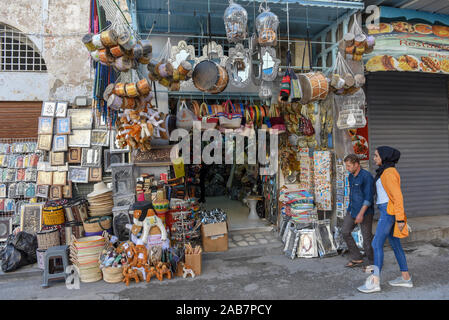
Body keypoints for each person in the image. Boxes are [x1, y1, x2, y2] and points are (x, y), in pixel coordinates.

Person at [357, 146, 412, 293]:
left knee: (376, 244)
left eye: (376, 156)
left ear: (385, 157)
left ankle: (375, 282)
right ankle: (406, 278)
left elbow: (398, 197)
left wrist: (400, 219)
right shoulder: (385, 172)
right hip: (387, 211)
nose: (374, 158)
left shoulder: (389, 173)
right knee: (396, 245)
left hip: (389, 213)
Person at [342, 154, 374, 269]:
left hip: (365, 212)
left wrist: (361, 214)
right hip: (352, 210)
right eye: (346, 166)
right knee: (345, 231)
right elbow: (352, 195)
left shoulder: (367, 176)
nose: (348, 168)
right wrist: (349, 209)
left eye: (349, 166)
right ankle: (357, 257)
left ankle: (372, 264)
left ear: (356, 164)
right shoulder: (350, 176)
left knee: (367, 240)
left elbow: (368, 197)